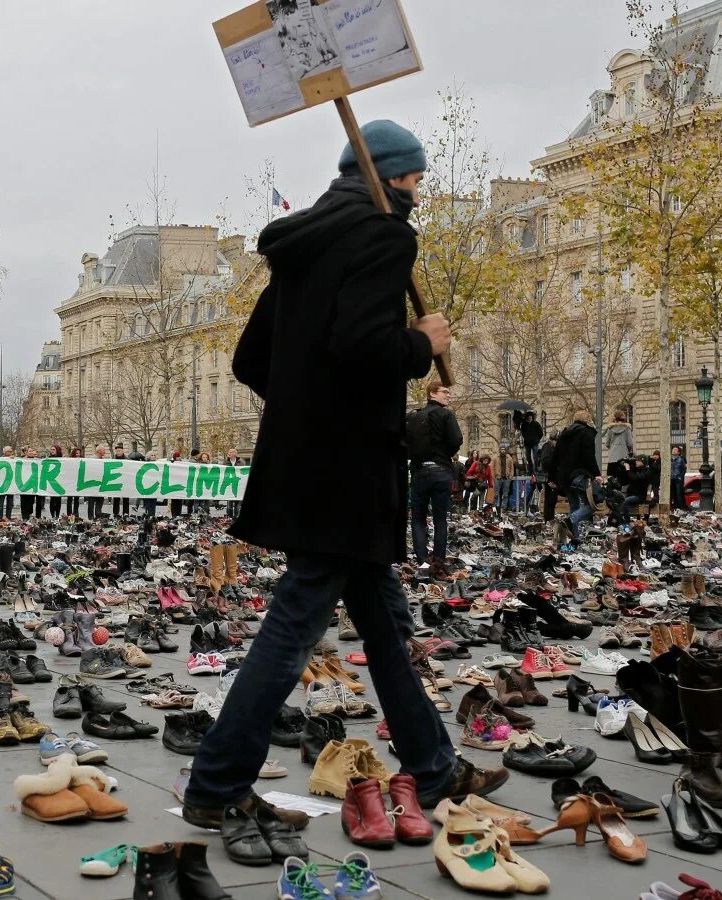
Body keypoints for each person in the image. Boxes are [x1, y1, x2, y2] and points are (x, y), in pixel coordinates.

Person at [181, 119, 502, 856]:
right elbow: (365, 347)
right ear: (393, 177)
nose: (420, 192)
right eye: (417, 180)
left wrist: (306, 407)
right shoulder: (385, 237)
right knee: (294, 624)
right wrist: (425, 345)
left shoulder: (301, 242)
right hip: (351, 475)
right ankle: (217, 784)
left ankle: (433, 764)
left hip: (307, 465)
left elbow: (250, 358)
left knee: (384, 621)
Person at [406, 381, 462, 564]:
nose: (448, 395)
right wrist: (444, 454)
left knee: (418, 518)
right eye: (444, 392)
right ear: (432, 394)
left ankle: (422, 559)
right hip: (441, 472)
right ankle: (438, 560)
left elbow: (405, 443)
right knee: (440, 519)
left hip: (420, 471)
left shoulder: (413, 417)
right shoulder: (446, 415)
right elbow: (456, 439)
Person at [552, 410, 600, 547]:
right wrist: (596, 474)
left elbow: (556, 456)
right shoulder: (586, 432)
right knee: (591, 505)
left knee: (574, 505)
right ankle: (569, 521)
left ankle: (575, 538)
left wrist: (553, 476)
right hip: (580, 474)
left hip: (564, 476)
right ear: (587, 419)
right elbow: (589, 456)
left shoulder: (564, 433)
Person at [537, 432, 559, 520]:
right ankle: (548, 519)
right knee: (550, 500)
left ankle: (550, 518)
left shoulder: (551, 447)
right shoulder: (548, 447)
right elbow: (545, 462)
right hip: (549, 477)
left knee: (552, 500)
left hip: (551, 476)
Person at [669, 445, 687, 510]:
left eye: (675, 450)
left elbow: (683, 469)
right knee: (672, 494)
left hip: (678, 479)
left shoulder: (681, 460)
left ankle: (681, 507)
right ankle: (673, 507)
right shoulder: (669, 459)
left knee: (678, 493)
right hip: (671, 479)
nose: (673, 450)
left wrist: (680, 477)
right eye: (673, 449)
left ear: (679, 452)